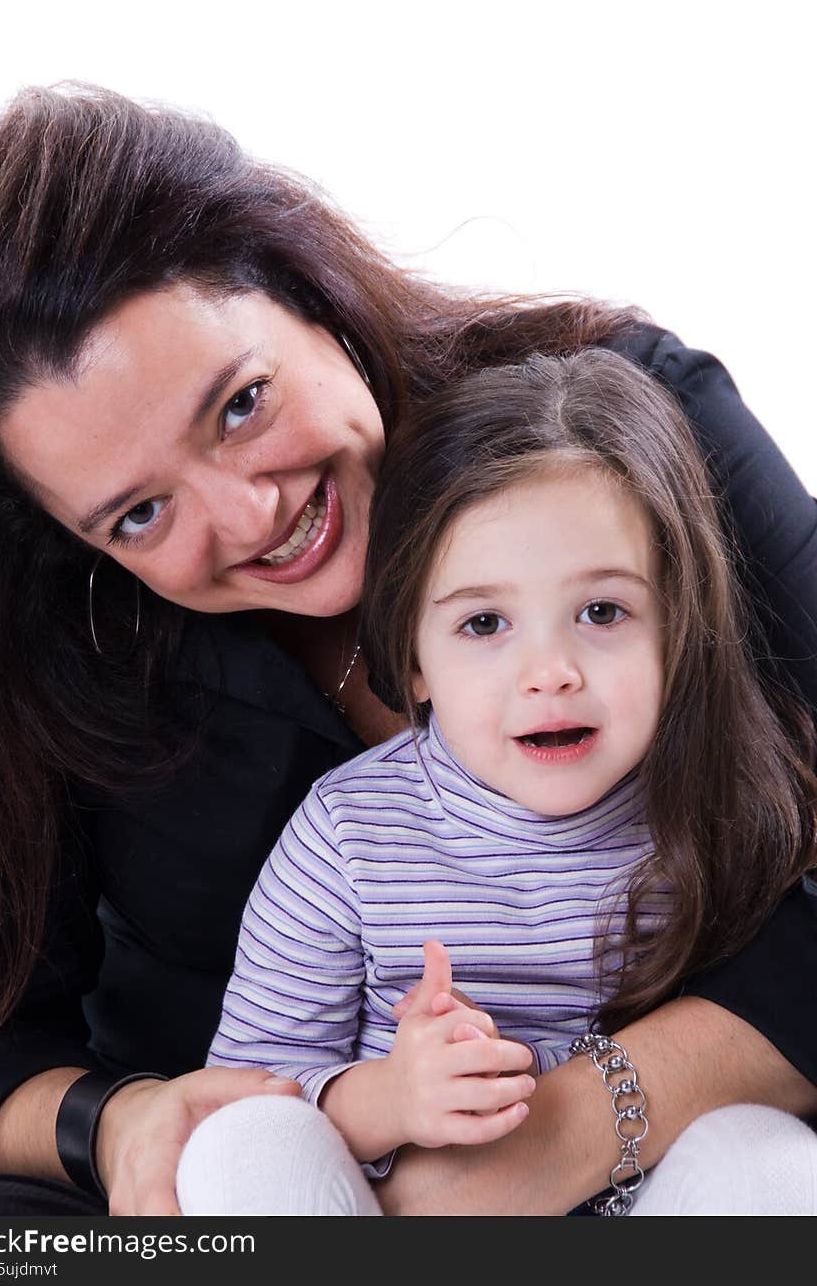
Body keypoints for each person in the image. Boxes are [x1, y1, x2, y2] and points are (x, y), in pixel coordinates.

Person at [0, 85, 815, 1218]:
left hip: (690, 1151)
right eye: (138, 514)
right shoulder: (60, 635)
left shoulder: (625, 439)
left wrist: (562, 1136)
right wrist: (112, 1121)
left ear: (314, 295)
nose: (248, 517)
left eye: (242, 403)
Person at [176, 351, 817, 1215]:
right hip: (392, 1208)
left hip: (641, 1201)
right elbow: (246, 1091)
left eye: (603, 611)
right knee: (239, 1145)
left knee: (768, 1156)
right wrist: (396, 1096)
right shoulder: (349, 835)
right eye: (484, 622)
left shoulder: (716, 802)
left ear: (681, 625)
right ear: (412, 658)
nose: (550, 671)